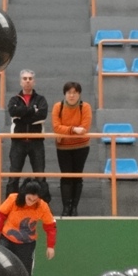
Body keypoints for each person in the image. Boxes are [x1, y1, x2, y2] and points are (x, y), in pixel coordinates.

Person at [0, 178, 56, 276]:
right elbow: (1, 215)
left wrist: (50, 246)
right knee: (1, 268)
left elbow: (50, 227)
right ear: (24, 194)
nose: (31, 202)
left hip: (27, 244)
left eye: (35, 200)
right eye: (29, 199)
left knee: (25, 273)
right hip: (7, 239)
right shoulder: (13, 199)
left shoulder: (42, 206)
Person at [5, 69, 50, 200]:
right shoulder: (14, 99)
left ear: (34, 82)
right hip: (18, 142)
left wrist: (22, 116)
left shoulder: (41, 99)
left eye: (30, 78)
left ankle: (44, 206)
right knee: (13, 177)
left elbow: (42, 115)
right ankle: (10, 205)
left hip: (36, 142)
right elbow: (13, 111)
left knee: (40, 176)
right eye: (25, 78)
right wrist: (31, 110)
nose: (27, 81)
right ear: (20, 82)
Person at [51, 80, 92, 217]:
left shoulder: (85, 107)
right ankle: (66, 207)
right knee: (66, 177)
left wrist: (66, 131)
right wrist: (74, 129)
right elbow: (56, 127)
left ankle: (74, 208)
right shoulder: (58, 106)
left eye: (75, 93)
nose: (72, 96)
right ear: (65, 94)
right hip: (63, 148)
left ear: (79, 94)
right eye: (69, 92)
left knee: (77, 177)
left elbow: (85, 127)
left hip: (81, 146)